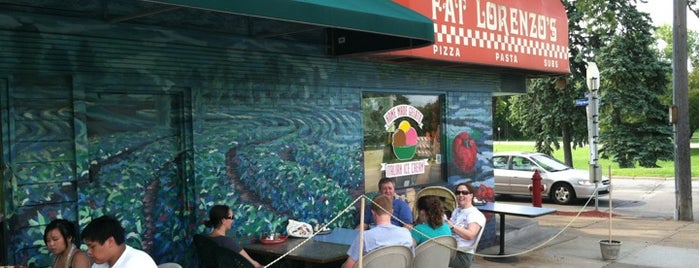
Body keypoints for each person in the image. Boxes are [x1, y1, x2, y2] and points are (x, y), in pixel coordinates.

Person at [342, 194, 414, 268]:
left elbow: (348, 266)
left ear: (373, 212)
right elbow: (412, 261)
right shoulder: (406, 234)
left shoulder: (364, 237)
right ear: (392, 212)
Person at [81, 215, 157, 268]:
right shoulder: (100, 264)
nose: (89, 252)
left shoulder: (138, 263)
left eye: (92, 246)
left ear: (110, 241)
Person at [445, 183, 486, 268]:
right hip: (450, 249)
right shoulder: (456, 210)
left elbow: (470, 235)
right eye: (458, 192)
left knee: (428, 257)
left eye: (464, 192)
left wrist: (452, 226)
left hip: (462, 255)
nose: (460, 195)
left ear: (471, 195)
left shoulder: (475, 214)